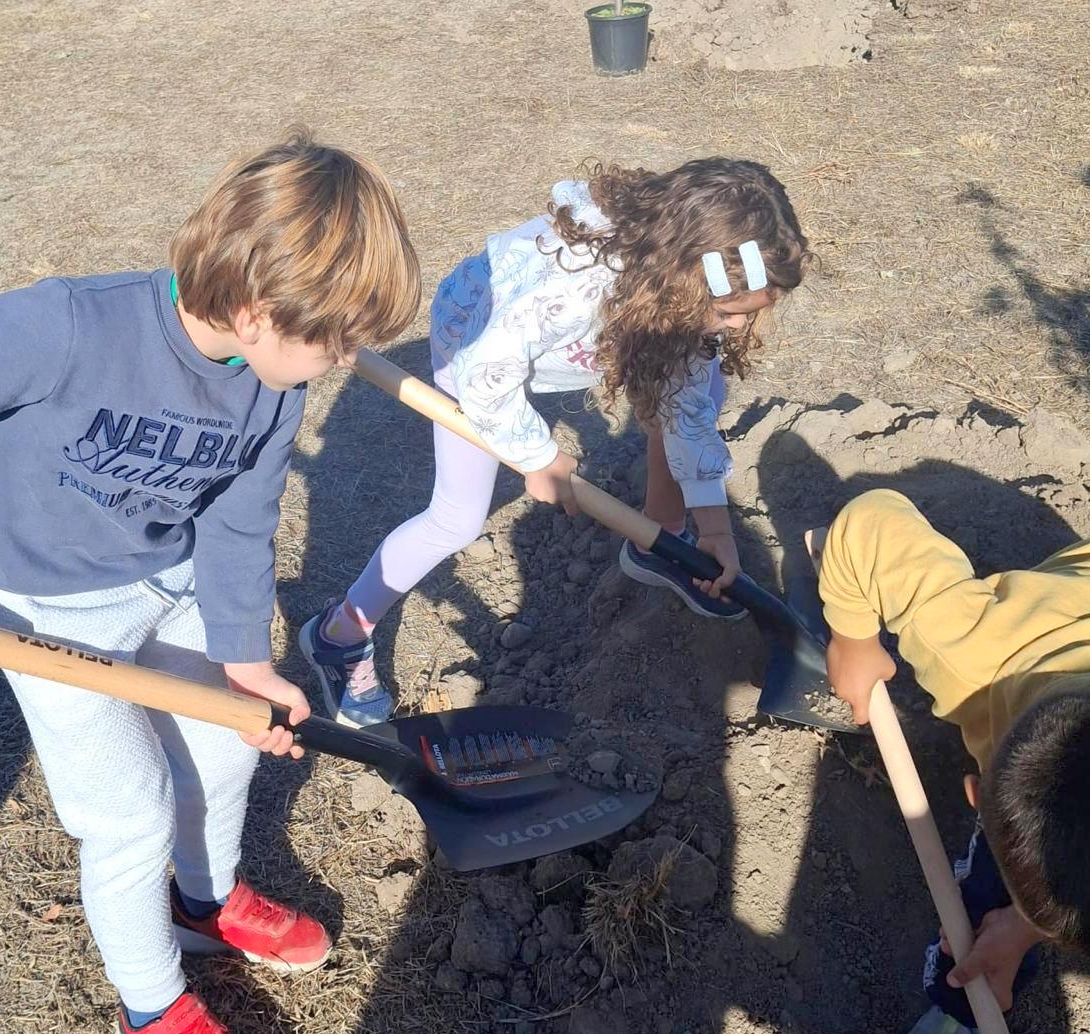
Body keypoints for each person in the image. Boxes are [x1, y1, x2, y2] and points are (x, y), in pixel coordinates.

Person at [0, 133, 421, 1034]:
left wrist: (239, 656)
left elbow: (238, 517)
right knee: (130, 812)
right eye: (333, 341)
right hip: (45, 606)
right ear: (259, 309)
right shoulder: (71, 328)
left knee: (228, 748)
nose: (343, 363)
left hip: (173, 578)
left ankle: (204, 900)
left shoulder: (272, 383)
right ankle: (150, 1015)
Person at [299, 158, 808, 727]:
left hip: (570, 342)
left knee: (700, 388)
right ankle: (339, 634)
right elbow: (488, 375)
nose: (738, 328)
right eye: (727, 314)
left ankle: (660, 541)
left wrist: (714, 527)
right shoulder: (570, 289)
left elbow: (685, 413)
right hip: (475, 341)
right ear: (686, 279)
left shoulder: (673, 291)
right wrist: (538, 457)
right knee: (456, 518)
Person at [821, 488, 1090, 1034]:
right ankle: (957, 1017)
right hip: (1084, 591)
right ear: (975, 793)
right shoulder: (971, 651)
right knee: (992, 893)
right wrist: (852, 640)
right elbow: (871, 522)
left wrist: (1033, 922)